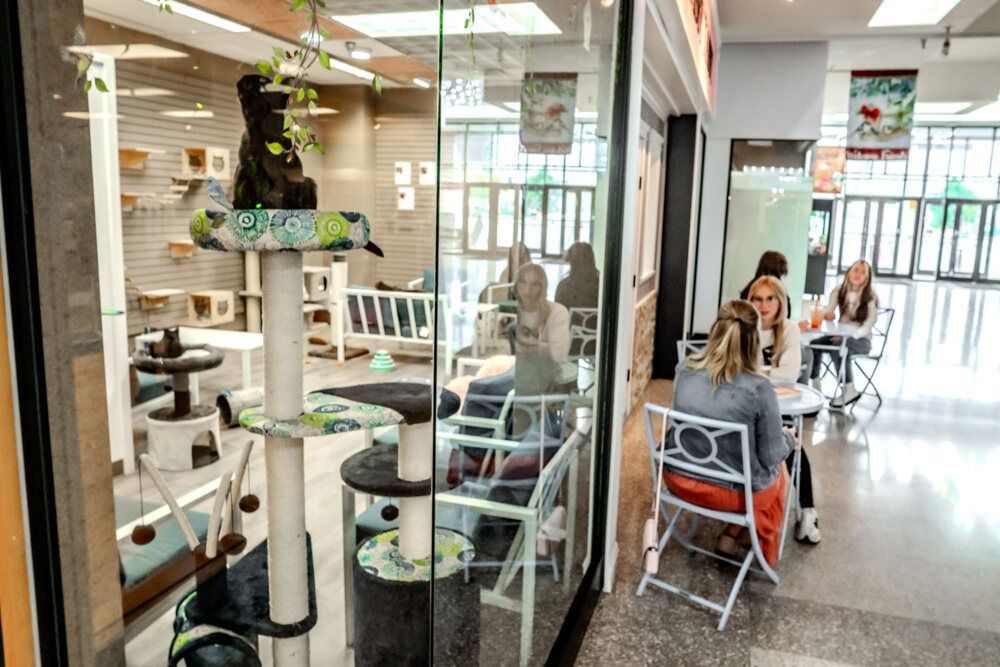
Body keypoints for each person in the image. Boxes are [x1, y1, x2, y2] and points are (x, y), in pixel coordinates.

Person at [668, 300, 796, 564]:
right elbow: (771, 456)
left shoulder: (684, 370)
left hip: (677, 479)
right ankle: (759, 548)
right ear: (753, 340)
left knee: (756, 463)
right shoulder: (759, 388)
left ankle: (732, 532)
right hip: (730, 493)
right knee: (779, 467)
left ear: (715, 329)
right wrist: (788, 439)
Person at [747, 276, 821, 544]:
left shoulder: (789, 330)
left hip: (779, 405)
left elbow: (788, 375)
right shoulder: (746, 327)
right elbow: (745, 372)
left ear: (781, 302)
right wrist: (771, 370)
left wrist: (760, 372)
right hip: (750, 404)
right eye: (758, 298)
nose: (764, 305)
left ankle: (807, 513)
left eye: (770, 298)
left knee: (791, 443)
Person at [807, 259, 878, 408]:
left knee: (840, 346)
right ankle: (814, 385)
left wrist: (847, 336)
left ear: (867, 278)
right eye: (855, 270)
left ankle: (849, 388)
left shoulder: (870, 297)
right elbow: (829, 310)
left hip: (861, 340)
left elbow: (867, 326)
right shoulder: (839, 290)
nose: (858, 274)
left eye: (863, 272)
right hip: (838, 336)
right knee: (814, 344)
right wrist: (828, 315)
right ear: (849, 272)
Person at [555, 242, 600, 310]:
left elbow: (558, 315)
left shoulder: (563, 286)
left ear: (571, 262)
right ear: (592, 259)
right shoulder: (602, 285)